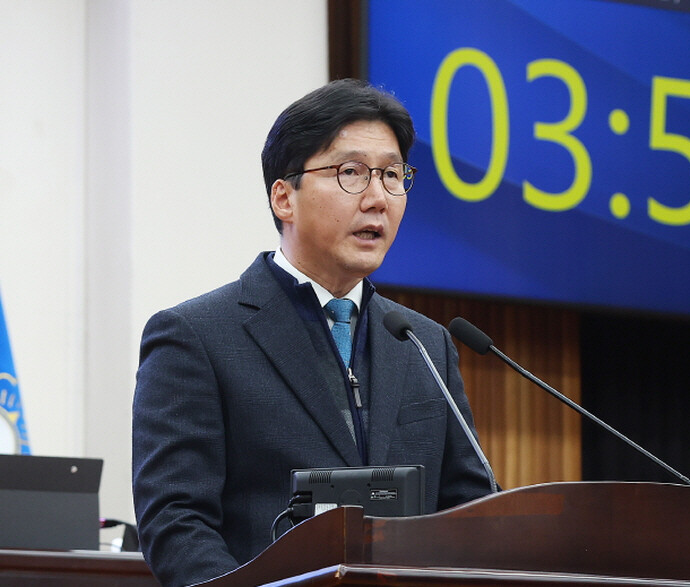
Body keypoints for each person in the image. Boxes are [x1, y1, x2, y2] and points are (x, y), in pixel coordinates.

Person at [132, 78, 494, 587]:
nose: (378, 198)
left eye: (392, 175)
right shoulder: (196, 337)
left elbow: (471, 511)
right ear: (284, 197)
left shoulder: (424, 343)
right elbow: (176, 523)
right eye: (351, 172)